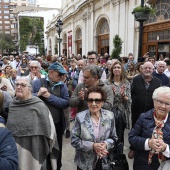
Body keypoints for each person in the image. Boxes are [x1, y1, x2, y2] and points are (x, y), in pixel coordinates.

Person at [6, 76, 59, 170]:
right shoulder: (12, 105)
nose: (19, 87)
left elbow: (50, 130)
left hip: (36, 149)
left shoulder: (39, 106)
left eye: (23, 85)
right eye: (17, 84)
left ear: (30, 89)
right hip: (16, 149)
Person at [32, 62, 69, 170]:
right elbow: (28, 98)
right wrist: (37, 94)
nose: (62, 77)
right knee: (41, 151)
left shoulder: (63, 86)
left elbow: (66, 103)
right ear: (51, 72)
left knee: (57, 150)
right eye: (60, 74)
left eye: (63, 75)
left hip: (57, 125)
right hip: (40, 125)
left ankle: (57, 167)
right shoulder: (38, 83)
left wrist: (49, 96)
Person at [71, 86, 117, 170]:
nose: (93, 103)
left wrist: (106, 144)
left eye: (97, 100)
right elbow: (74, 141)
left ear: (103, 102)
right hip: (84, 164)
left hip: (104, 162)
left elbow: (114, 137)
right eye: (90, 100)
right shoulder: (80, 117)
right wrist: (92, 146)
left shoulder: (110, 116)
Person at [129, 86, 170, 170]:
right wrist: (148, 143)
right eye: (160, 102)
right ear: (154, 101)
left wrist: (165, 148)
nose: (163, 106)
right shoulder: (143, 117)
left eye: (167, 103)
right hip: (143, 164)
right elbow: (132, 138)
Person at [128, 61, 162, 159]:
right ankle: (133, 148)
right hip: (136, 110)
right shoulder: (135, 80)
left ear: (153, 70)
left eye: (149, 68)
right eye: (145, 68)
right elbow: (130, 93)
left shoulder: (157, 81)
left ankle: (149, 147)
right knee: (135, 129)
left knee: (149, 129)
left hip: (151, 111)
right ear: (142, 69)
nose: (147, 70)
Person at [106, 61, 131, 144]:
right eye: (115, 67)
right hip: (109, 112)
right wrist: (111, 95)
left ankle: (119, 154)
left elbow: (129, 100)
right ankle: (109, 154)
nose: (116, 69)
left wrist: (123, 96)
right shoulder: (107, 83)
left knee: (120, 135)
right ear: (112, 70)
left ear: (122, 70)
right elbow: (104, 99)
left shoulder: (126, 83)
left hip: (122, 112)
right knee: (109, 134)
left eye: (119, 67)